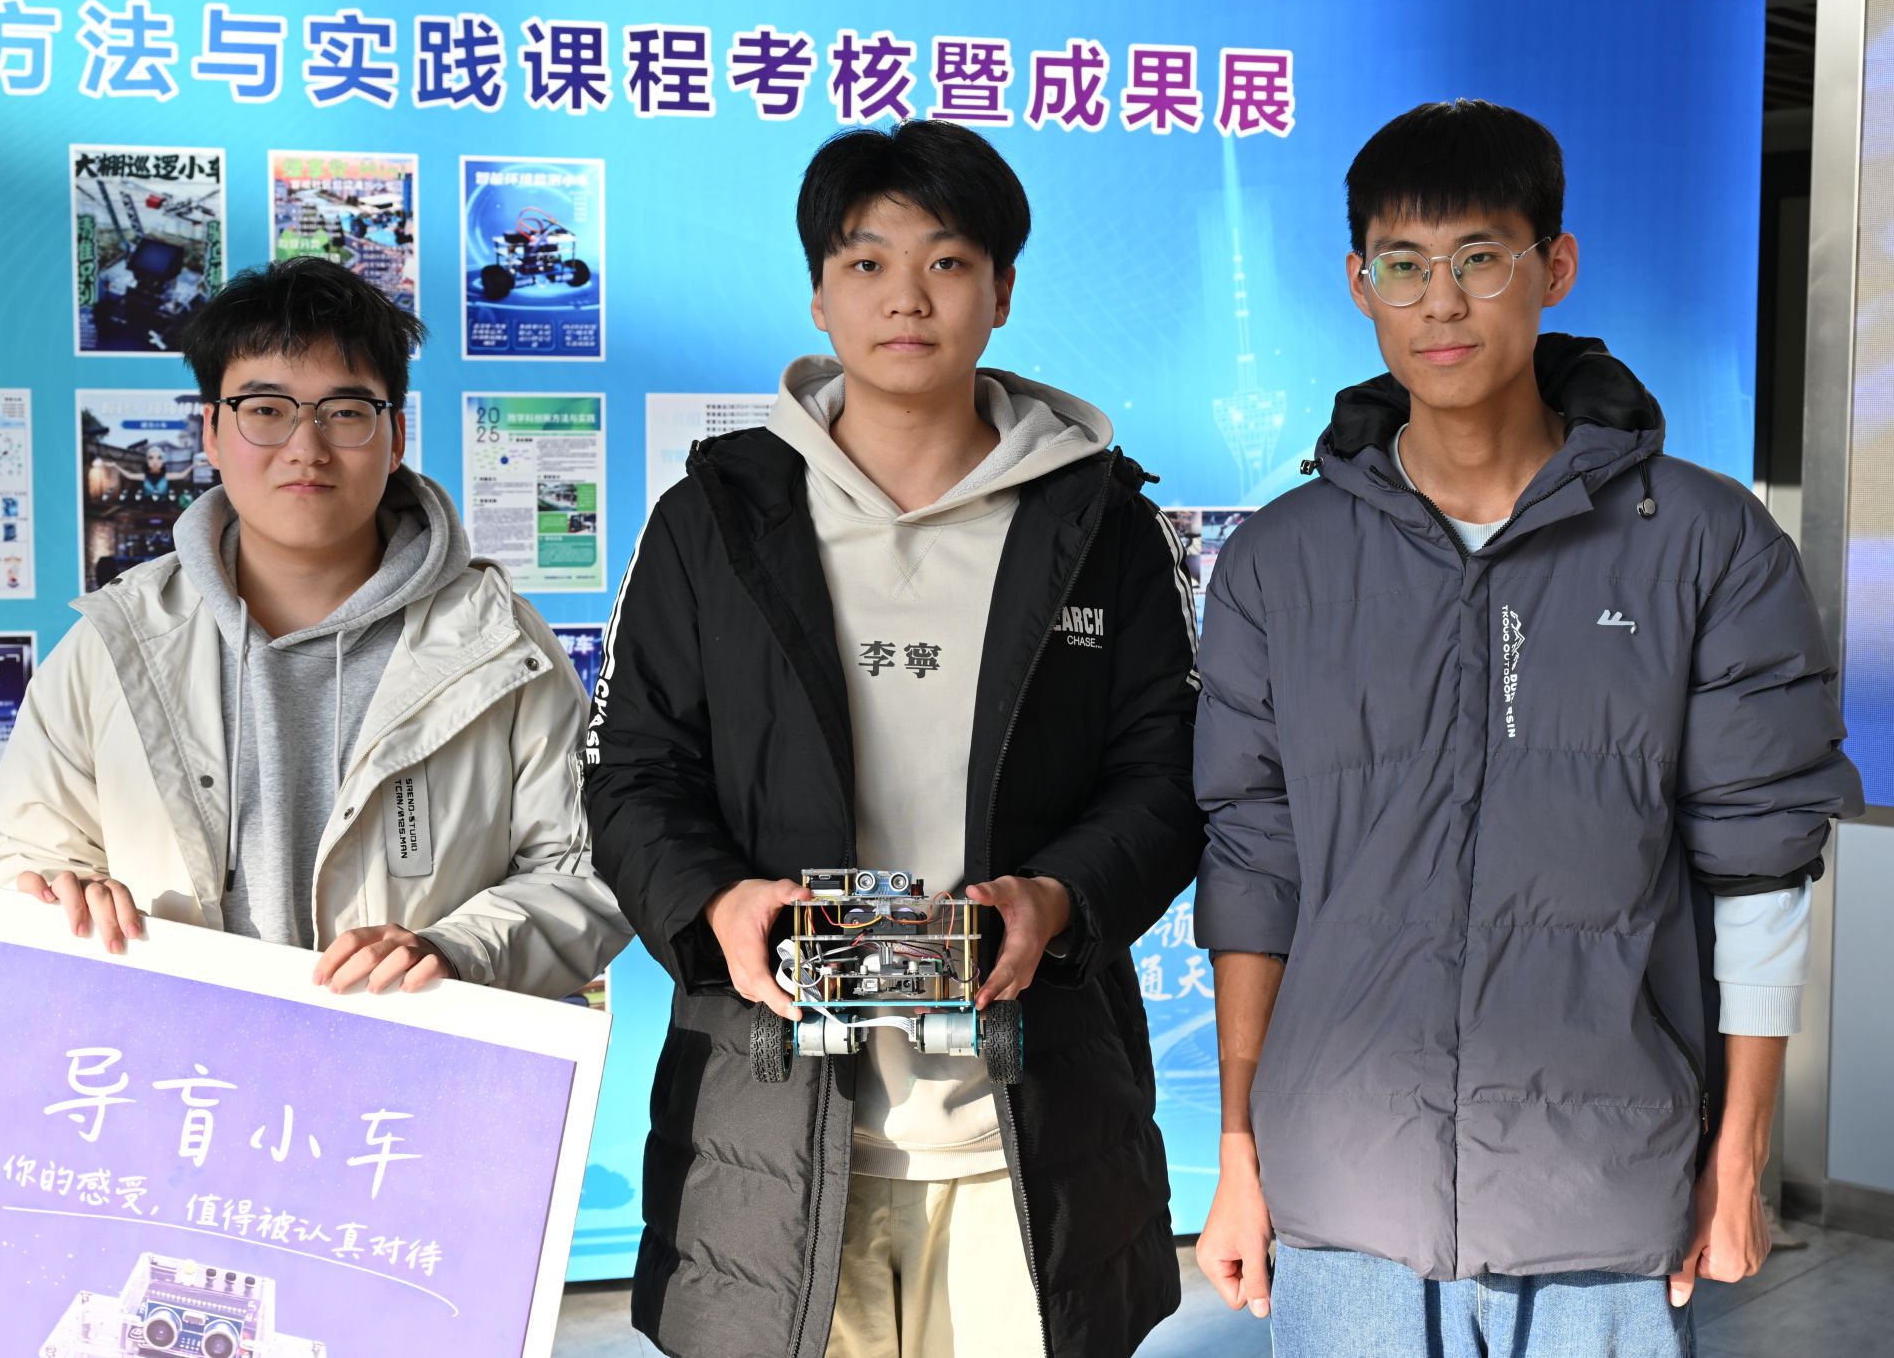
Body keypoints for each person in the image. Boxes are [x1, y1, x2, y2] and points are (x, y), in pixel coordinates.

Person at [1191, 99, 1863, 1356]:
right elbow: (1251, 867)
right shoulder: (1279, 564)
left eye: (1478, 258)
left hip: (1601, 1194)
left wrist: (1738, 1156)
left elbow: (1759, 865)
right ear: (1358, 283)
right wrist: (1236, 1149)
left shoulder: (1701, 542)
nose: (1440, 302)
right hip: (1344, 1195)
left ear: (1553, 267)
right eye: (1402, 264)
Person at [585, 120, 1202, 1358]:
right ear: (818, 297)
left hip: (1031, 1123)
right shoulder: (717, 519)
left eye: (946, 262)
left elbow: (1165, 775)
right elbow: (634, 771)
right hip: (770, 1123)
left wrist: (1058, 898)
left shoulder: (1097, 525)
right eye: (865, 263)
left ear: (1001, 292)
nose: (905, 298)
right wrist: (712, 904)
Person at [0, 256, 628, 999]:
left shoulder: (499, 644)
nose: (306, 447)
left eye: (345, 412)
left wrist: (457, 951)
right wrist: (63, 896)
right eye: (265, 409)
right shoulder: (115, 642)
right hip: (169, 1056)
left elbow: (582, 870)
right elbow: (21, 861)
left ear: (395, 435)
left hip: (408, 1060)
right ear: (212, 432)